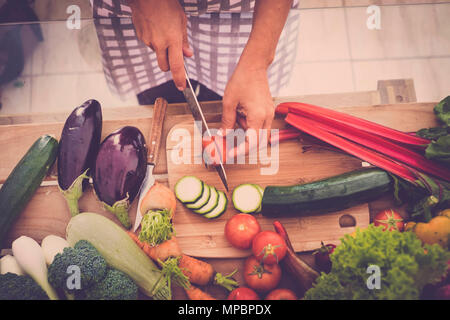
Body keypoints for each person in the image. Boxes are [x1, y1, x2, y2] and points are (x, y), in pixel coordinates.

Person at [92, 0, 300, 146]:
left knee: (233, 104)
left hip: (253, 14)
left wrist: (257, 62)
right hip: (144, 13)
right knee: (156, 94)